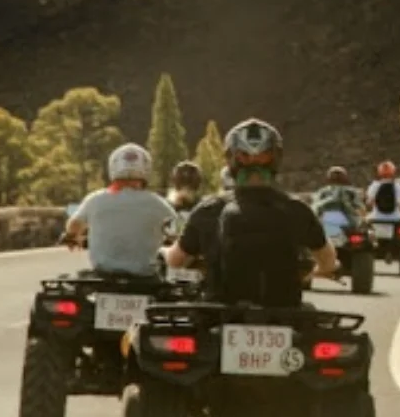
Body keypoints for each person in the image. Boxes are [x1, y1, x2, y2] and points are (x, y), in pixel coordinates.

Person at [163, 118, 338, 306]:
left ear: (231, 160)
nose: (254, 161)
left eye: (261, 156)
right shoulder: (297, 209)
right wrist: (318, 270)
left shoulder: (208, 209)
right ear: (276, 159)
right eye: (246, 156)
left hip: (219, 314)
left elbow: (176, 261)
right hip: (283, 312)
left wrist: (164, 251)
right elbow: (328, 261)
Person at [62, 143, 179, 277]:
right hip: (145, 278)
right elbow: (179, 232)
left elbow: (73, 226)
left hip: (103, 275)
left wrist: (72, 237)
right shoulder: (158, 203)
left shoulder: (95, 199)